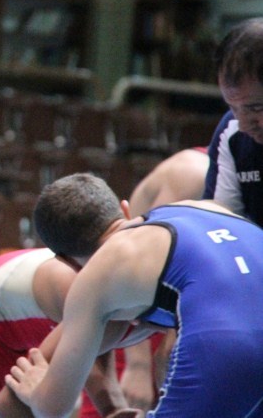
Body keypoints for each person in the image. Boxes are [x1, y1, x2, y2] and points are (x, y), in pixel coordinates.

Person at [5, 173, 263, 418]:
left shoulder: (97, 272)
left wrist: (37, 389)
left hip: (229, 345)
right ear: (125, 209)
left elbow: (54, 407)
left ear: (65, 261)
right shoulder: (201, 207)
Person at [0, 243, 149, 418]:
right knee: (48, 404)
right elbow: (9, 406)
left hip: (15, 338)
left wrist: (112, 408)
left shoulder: (123, 294)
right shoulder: (99, 298)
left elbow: (93, 346)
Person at [77, 147, 209, 416]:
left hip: (191, 317)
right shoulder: (194, 171)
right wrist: (138, 366)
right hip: (134, 318)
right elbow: (141, 262)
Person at [204, 17, 263, 225]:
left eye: (255, 108)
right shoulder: (231, 132)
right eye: (233, 107)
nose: (243, 124)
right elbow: (220, 226)